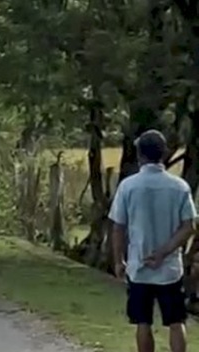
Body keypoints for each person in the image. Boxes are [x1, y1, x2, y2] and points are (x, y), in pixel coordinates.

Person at [110, 129, 197, 352]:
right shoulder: (179, 187)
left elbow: (118, 227)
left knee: (143, 322)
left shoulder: (128, 186)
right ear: (164, 153)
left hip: (139, 266)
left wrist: (119, 260)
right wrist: (164, 252)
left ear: (140, 155)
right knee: (176, 322)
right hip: (169, 269)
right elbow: (189, 226)